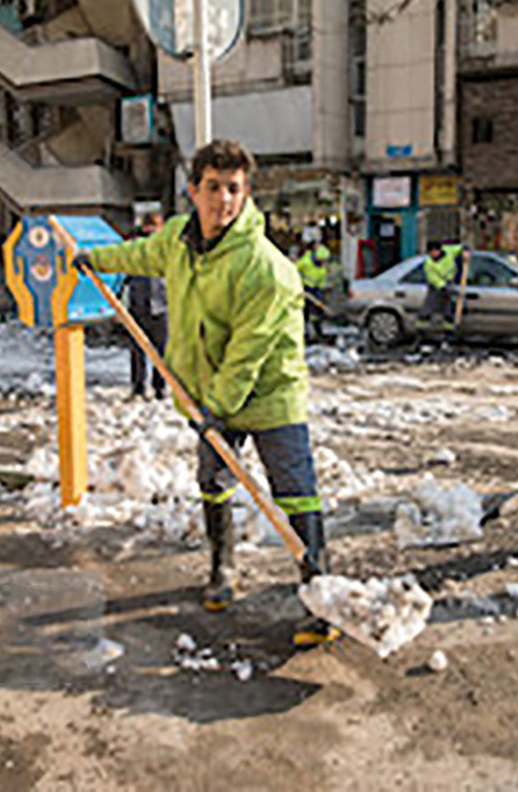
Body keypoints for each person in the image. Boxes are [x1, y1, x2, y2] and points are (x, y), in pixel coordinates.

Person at [70, 139, 336, 647]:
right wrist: (95, 259)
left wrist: (217, 408)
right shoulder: (176, 240)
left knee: (295, 490)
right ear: (193, 191)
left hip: (268, 392)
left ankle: (320, 595)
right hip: (210, 394)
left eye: (234, 189)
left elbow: (248, 352)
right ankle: (222, 568)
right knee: (213, 481)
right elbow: (140, 254)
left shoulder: (264, 267)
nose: (224, 199)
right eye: (213, 187)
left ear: (246, 192)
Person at [125, 211, 168, 399]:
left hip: (161, 305)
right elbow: (124, 276)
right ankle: (138, 387)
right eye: (149, 226)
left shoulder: (166, 248)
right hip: (138, 304)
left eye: (155, 227)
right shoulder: (135, 247)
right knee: (137, 350)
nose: (152, 231)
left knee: (162, 351)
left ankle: (160, 387)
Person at [418, 240, 464, 331]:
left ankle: (448, 334)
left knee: (448, 310)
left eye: (434, 251)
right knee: (429, 308)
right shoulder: (428, 263)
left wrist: (466, 250)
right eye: (430, 252)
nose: (432, 254)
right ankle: (422, 333)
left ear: (439, 250)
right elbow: (433, 278)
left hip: (450, 282)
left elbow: (460, 248)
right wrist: (443, 287)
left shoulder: (449, 251)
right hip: (436, 286)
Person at [296, 239, 332, 340]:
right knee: (304, 311)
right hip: (303, 288)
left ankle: (319, 330)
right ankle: (305, 333)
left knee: (317, 309)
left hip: (314, 290)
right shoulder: (305, 262)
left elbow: (319, 284)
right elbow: (295, 270)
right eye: (323, 260)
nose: (324, 262)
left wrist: (318, 298)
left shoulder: (322, 270)